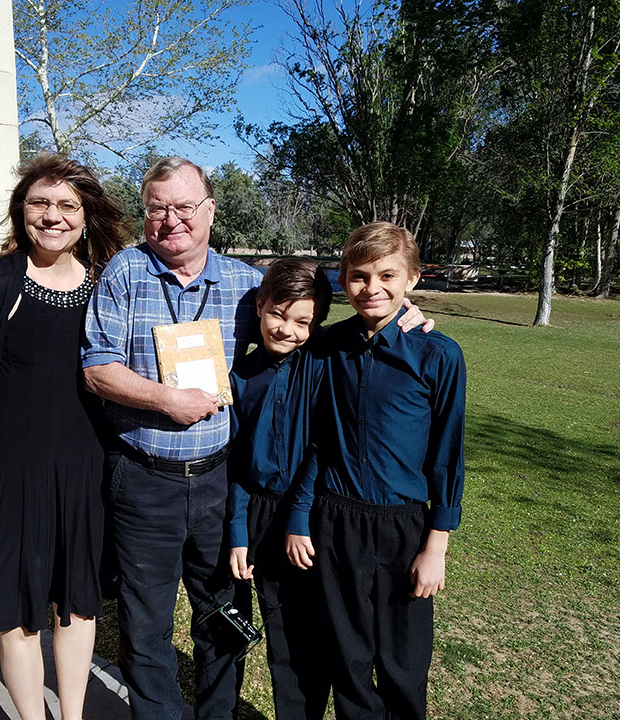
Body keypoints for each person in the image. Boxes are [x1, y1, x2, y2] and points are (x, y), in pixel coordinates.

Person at [81, 157, 432, 720]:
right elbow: (97, 367)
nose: (171, 219)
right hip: (143, 480)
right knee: (144, 621)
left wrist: (404, 313)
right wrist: (167, 400)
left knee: (221, 615)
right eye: (156, 208)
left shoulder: (247, 287)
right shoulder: (125, 272)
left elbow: (306, 318)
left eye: (184, 207)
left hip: (219, 481)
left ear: (210, 211)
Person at [0, 153, 127, 720]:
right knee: (17, 611)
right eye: (40, 203)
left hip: (85, 472)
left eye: (67, 205)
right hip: (9, 473)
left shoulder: (107, 286)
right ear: (21, 211)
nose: (52, 215)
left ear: (86, 217)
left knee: (77, 606)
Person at [286, 222, 466, 720]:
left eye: (388, 275)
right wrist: (302, 515)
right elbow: (316, 437)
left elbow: (447, 455)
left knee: (403, 663)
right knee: (349, 657)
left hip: (404, 525)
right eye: (359, 277)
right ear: (343, 281)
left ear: (413, 279)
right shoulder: (326, 347)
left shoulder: (438, 354)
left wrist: (436, 546)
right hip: (336, 519)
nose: (372, 288)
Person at [226, 257, 333, 720]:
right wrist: (237, 532)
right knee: (229, 627)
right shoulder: (240, 376)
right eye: (277, 314)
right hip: (250, 511)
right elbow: (232, 462)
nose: (287, 329)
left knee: (295, 637)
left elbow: (321, 445)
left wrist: (409, 311)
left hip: (304, 518)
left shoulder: (327, 359)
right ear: (260, 306)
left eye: (302, 321)